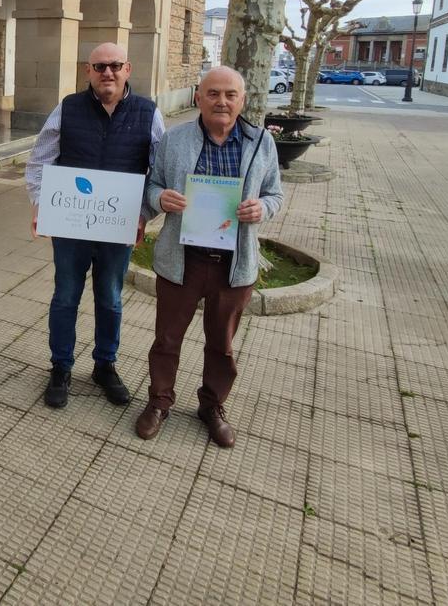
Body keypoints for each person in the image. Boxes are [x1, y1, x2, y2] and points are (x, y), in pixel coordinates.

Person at [134, 66, 283, 446]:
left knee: (222, 345)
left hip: (233, 266)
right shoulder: (175, 138)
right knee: (166, 340)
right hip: (182, 261)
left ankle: (212, 405)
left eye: (230, 94)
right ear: (198, 97)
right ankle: (159, 401)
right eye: (213, 93)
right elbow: (152, 185)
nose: (222, 101)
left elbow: (275, 194)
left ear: (242, 100)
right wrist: (158, 199)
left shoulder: (261, 142)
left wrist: (262, 209)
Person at [25, 42, 165, 409]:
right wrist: (40, 204)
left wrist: (144, 214)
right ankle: (61, 367)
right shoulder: (68, 108)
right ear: (88, 70)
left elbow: (159, 173)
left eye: (115, 66)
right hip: (70, 225)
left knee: (111, 299)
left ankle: (105, 365)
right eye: (100, 66)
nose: (108, 73)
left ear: (128, 69)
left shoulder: (148, 113)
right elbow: (40, 160)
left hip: (117, 226)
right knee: (65, 296)